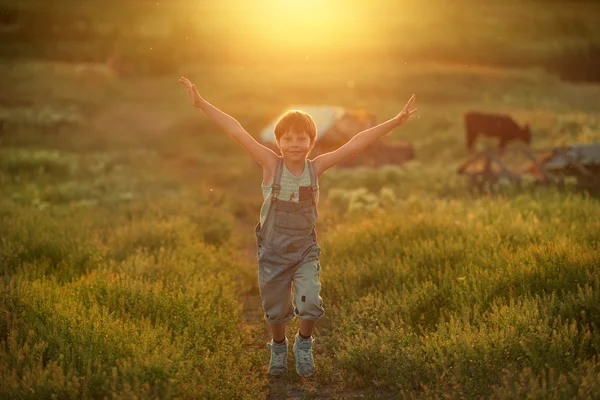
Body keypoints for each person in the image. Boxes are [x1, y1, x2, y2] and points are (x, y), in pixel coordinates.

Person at [179, 76, 417, 377]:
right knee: (275, 311)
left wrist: (394, 122)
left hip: (305, 250)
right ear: (278, 142)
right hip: (273, 251)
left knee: (310, 302)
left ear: (311, 142)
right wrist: (201, 104)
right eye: (288, 138)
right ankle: (278, 348)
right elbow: (235, 129)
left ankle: (303, 344)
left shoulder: (316, 167)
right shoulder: (269, 163)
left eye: (301, 138)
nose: (295, 144)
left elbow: (357, 142)